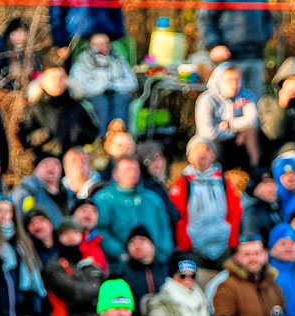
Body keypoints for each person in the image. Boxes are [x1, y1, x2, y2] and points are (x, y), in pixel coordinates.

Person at [212, 237, 287, 316]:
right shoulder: (228, 286)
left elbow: (283, 312)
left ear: (265, 256)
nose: (253, 259)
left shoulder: (273, 285)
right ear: (237, 258)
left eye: (257, 254)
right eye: (247, 255)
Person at [171, 137, 240, 271]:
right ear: (189, 157)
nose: (202, 152)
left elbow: (235, 212)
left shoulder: (224, 182)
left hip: (223, 249)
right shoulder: (182, 183)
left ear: (213, 155)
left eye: (207, 149)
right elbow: (177, 216)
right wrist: (185, 244)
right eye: (197, 149)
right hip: (194, 251)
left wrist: (232, 242)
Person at [95, 156, 173, 272]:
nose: (132, 173)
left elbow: (164, 227)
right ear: (115, 174)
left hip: (156, 265)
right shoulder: (104, 198)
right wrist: (120, 254)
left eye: (135, 169)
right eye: (127, 169)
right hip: (122, 268)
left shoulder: (152, 198)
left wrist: (163, 253)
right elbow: (100, 230)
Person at [17, 65, 100, 161]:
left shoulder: (77, 105)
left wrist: (78, 133)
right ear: (42, 81)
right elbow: (24, 138)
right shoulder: (34, 108)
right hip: (45, 160)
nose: (57, 82)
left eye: (61, 78)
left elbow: (93, 133)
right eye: (52, 78)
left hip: (73, 161)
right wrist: (44, 134)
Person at [197, 0, 276, 97]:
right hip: (229, 58)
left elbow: (268, 19)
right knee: (227, 101)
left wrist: (264, 37)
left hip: (256, 56)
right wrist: (214, 45)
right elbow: (204, 18)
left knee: (253, 100)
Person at [196, 64, 263, 171]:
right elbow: (206, 131)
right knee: (208, 141)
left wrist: (229, 124)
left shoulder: (246, 95)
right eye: (229, 81)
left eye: (237, 80)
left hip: (236, 137)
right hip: (216, 138)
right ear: (219, 82)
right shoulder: (207, 99)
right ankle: (215, 171)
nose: (234, 85)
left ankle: (255, 168)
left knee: (251, 131)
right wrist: (225, 129)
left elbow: (252, 120)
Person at [70, 32, 138, 133]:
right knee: (102, 103)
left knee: (122, 99)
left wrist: (114, 86)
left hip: (117, 92)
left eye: (106, 43)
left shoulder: (119, 59)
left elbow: (132, 82)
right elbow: (77, 85)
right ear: (91, 45)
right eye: (98, 44)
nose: (103, 47)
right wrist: (100, 87)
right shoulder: (82, 62)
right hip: (94, 95)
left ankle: (120, 134)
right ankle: (101, 136)